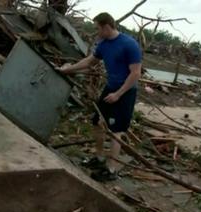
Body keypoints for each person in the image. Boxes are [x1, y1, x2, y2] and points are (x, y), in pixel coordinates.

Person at [59, 12, 142, 181]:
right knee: (97, 122)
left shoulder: (129, 44)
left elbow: (135, 73)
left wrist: (118, 94)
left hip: (125, 92)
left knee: (116, 131)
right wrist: (69, 69)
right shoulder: (103, 44)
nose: (96, 32)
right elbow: (90, 62)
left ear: (106, 27)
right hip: (110, 88)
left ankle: (111, 170)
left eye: (97, 28)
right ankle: (98, 158)